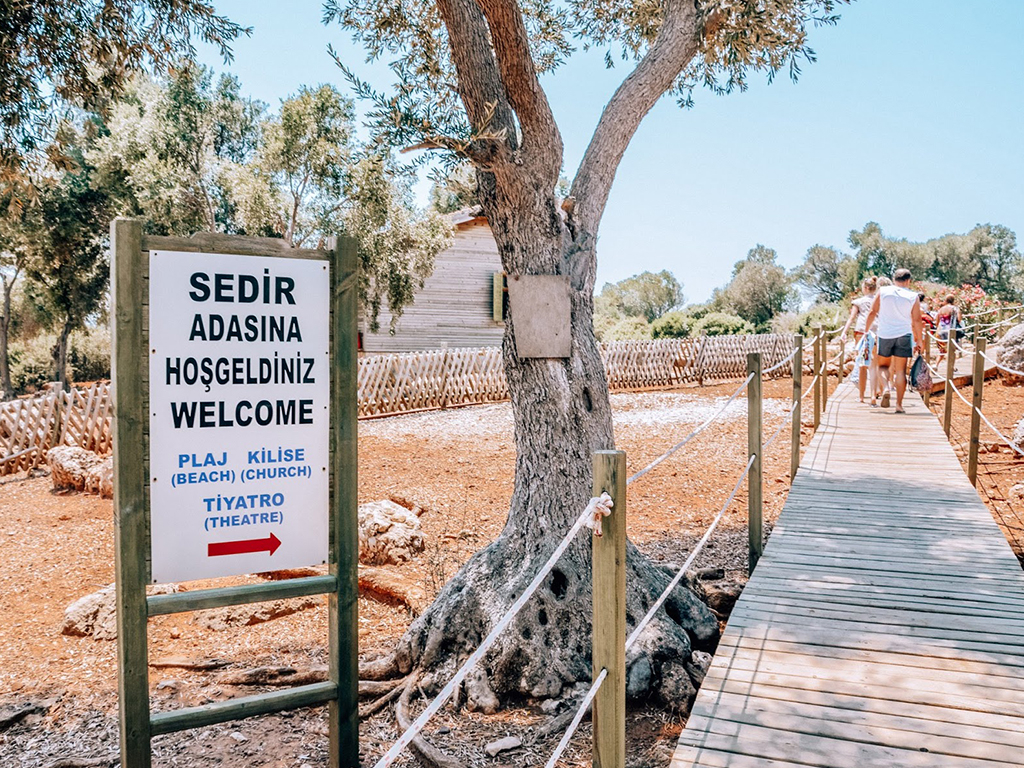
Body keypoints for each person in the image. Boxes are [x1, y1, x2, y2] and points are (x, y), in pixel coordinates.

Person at [864, 268, 923, 413]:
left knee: (883, 366)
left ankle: (886, 388)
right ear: (908, 280)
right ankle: (899, 405)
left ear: (894, 278)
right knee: (901, 371)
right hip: (904, 334)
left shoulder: (883, 292)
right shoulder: (913, 296)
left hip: (885, 334)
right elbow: (916, 320)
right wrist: (919, 340)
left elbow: (873, 312)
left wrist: (866, 331)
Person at [839, 276, 879, 403]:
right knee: (874, 365)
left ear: (866, 288)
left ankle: (861, 397)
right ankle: (873, 395)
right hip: (877, 332)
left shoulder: (858, 302)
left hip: (863, 333)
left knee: (863, 365)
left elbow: (851, 318)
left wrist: (844, 333)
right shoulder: (879, 301)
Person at [935, 294, 960, 362]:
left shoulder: (941, 309)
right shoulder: (955, 308)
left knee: (942, 350)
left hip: (940, 332)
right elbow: (959, 319)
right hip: (950, 332)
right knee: (952, 350)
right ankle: (951, 367)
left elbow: (937, 321)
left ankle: (936, 365)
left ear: (946, 300)